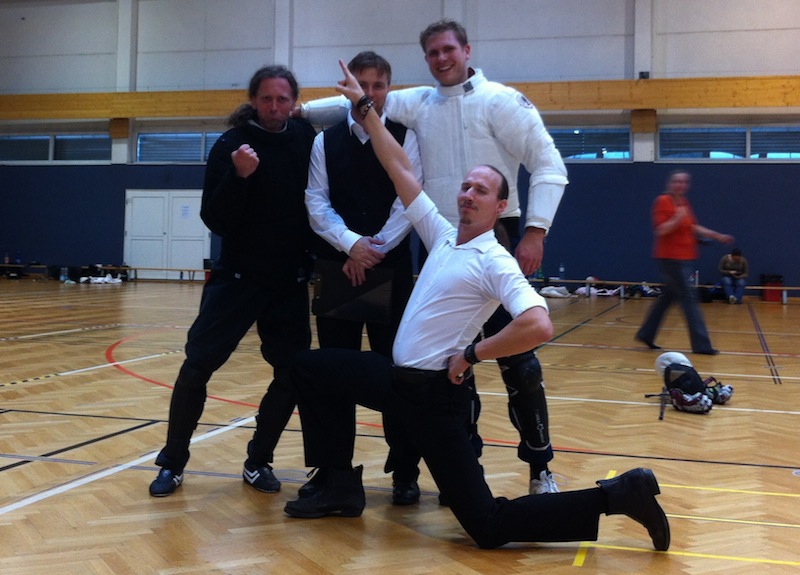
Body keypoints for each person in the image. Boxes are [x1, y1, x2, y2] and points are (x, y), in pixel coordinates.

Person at [282, 61, 670, 554]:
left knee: (487, 526)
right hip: (396, 383)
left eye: (480, 191)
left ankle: (619, 495)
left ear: (498, 206)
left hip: (432, 400)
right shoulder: (443, 235)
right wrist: (365, 107)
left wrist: (473, 354)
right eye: (465, 186)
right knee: (308, 367)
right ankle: (338, 483)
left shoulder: (493, 260)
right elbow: (398, 167)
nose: (468, 194)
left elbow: (538, 324)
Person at [302, 18, 568, 494]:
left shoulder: (503, 101)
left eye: (449, 49)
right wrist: (296, 111)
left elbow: (549, 163)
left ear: (467, 50)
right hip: (440, 240)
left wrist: (535, 232)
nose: (442, 59)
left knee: (520, 364)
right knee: (446, 367)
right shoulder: (419, 102)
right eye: (433, 52)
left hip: (498, 239)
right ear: (425, 58)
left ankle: (540, 468)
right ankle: (463, 469)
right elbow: (358, 102)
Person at [148, 65, 317, 497]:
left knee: (292, 372)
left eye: (282, 99)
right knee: (196, 367)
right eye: (267, 99)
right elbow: (216, 219)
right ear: (254, 101)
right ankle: (172, 462)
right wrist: (239, 176)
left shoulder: (305, 138)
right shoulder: (230, 145)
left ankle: (258, 460)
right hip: (237, 278)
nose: (274, 107)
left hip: (288, 280)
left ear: (293, 102)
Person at [304, 51, 423, 505]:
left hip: (391, 269)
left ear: (388, 89)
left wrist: (373, 250)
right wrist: (351, 244)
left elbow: (409, 199)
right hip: (338, 267)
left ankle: (405, 470)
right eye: (362, 85)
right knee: (333, 373)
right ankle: (334, 471)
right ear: (346, 87)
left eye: (378, 85)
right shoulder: (324, 142)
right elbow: (316, 202)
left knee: (399, 372)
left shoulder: (406, 137)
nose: (369, 94)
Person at [635, 170, 734, 355]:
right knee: (689, 300)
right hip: (671, 259)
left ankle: (646, 333)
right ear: (670, 184)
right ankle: (702, 345)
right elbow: (661, 230)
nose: (680, 185)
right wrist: (677, 218)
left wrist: (716, 235)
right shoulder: (662, 201)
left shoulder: (684, 203)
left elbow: (693, 226)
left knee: (668, 298)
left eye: (684, 182)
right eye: (677, 181)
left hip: (685, 258)